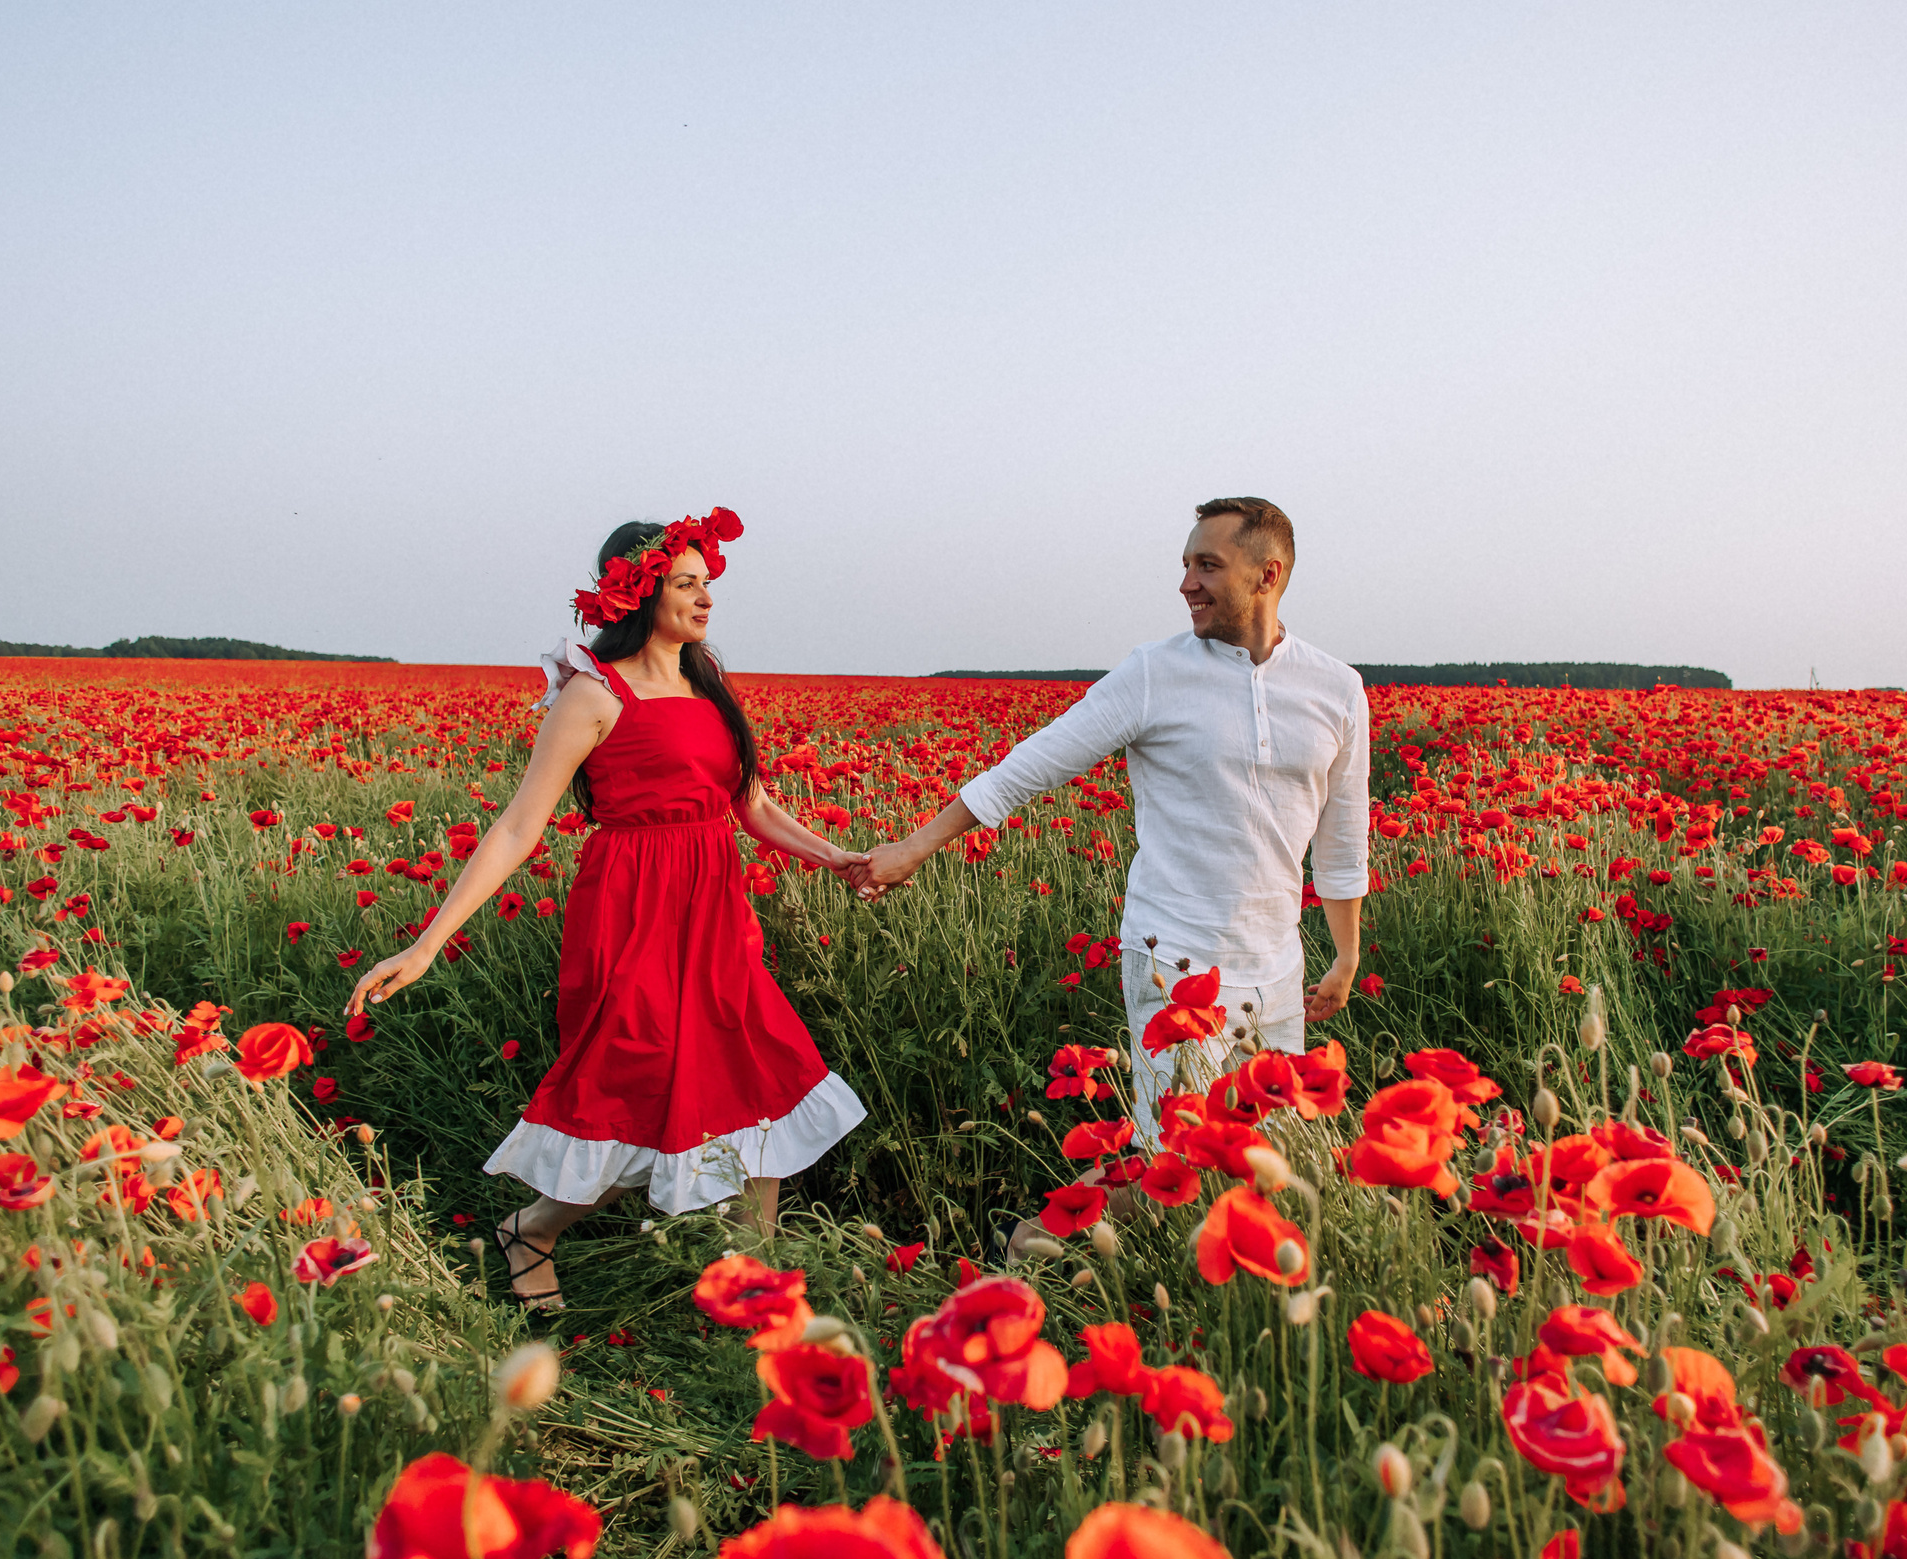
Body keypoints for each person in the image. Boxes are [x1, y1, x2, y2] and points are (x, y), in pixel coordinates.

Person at [346, 509, 867, 1310]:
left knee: (757, 1067)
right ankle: (533, 1228)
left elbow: (752, 804)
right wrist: (426, 943)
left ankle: (757, 1281)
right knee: (639, 1089)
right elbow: (520, 825)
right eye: (686, 584)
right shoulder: (593, 694)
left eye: (706, 583)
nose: (705, 599)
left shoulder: (709, 682)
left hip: (715, 912)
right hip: (634, 912)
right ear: (639, 592)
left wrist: (838, 857)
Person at [852, 496, 1368, 1126]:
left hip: (1279, 971)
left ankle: (1030, 1232)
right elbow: (1033, 764)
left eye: (1207, 565)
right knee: (1177, 1169)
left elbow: (1343, 837)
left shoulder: (1336, 688)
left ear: (1270, 574)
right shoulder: (1154, 672)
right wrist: (913, 848)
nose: (1186, 584)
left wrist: (1346, 955)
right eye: (1185, 565)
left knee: (1268, 1162)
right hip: (1173, 960)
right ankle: (1031, 1231)